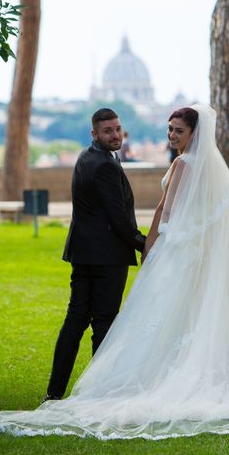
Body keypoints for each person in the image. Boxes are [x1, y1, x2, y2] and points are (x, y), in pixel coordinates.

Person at [0, 104, 229, 439]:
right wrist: (146, 241)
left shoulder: (164, 163)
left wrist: (152, 246)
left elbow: (167, 210)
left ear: (194, 134)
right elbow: (183, 212)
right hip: (143, 252)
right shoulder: (200, 167)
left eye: (178, 130)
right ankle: (91, 384)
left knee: (113, 320)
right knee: (109, 319)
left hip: (156, 250)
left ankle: (92, 385)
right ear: (96, 133)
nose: (171, 135)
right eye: (170, 130)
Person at [41, 108, 146, 403]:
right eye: (108, 131)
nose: (115, 135)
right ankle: (99, 394)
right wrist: (145, 243)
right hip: (106, 256)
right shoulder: (104, 166)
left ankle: (54, 391)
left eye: (118, 129)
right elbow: (120, 220)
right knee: (104, 324)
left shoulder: (87, 157)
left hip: (83, 253)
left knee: (75, 320)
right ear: (94, 134)